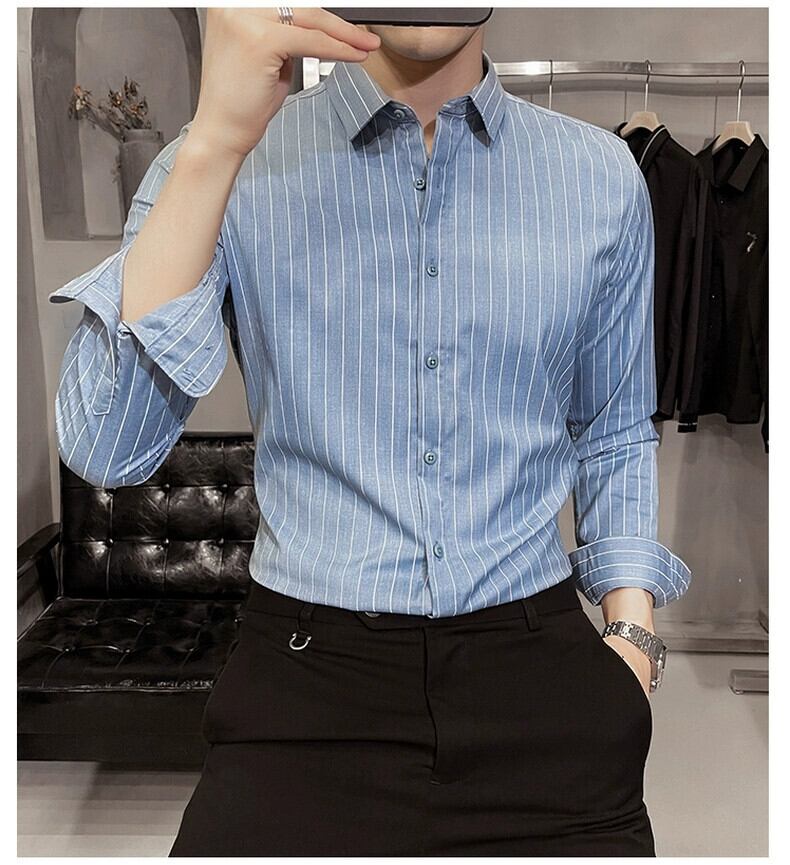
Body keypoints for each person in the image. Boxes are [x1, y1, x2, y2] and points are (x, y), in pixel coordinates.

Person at [48, 7, 692, 856]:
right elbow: (106, 446)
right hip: (303, 682)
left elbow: (613, 428)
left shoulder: (601, 179)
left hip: (542, 678)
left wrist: (632, 640)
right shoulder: (225, 160)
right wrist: (214, 142)